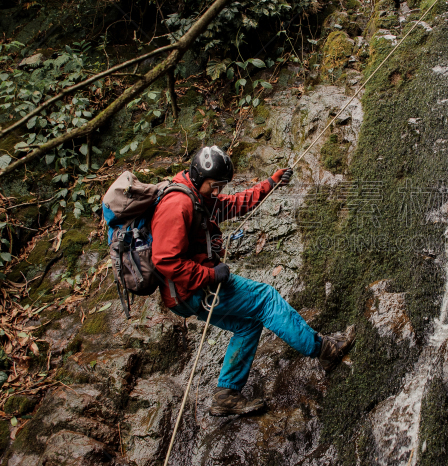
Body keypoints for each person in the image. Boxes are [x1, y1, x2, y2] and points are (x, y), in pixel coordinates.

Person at [151, 145, 355, 416]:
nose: (218, 192)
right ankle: (326, 350)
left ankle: (226, 395)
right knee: (265, 299)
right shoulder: (178, 205)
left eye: (220, 186)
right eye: (216, 186)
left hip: (186, 294)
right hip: (193, 290)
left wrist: (270, 183)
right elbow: (165, 260)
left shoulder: (197, 196)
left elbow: (233, 205)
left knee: (248, 325)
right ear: (201, 179)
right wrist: (211, 275)